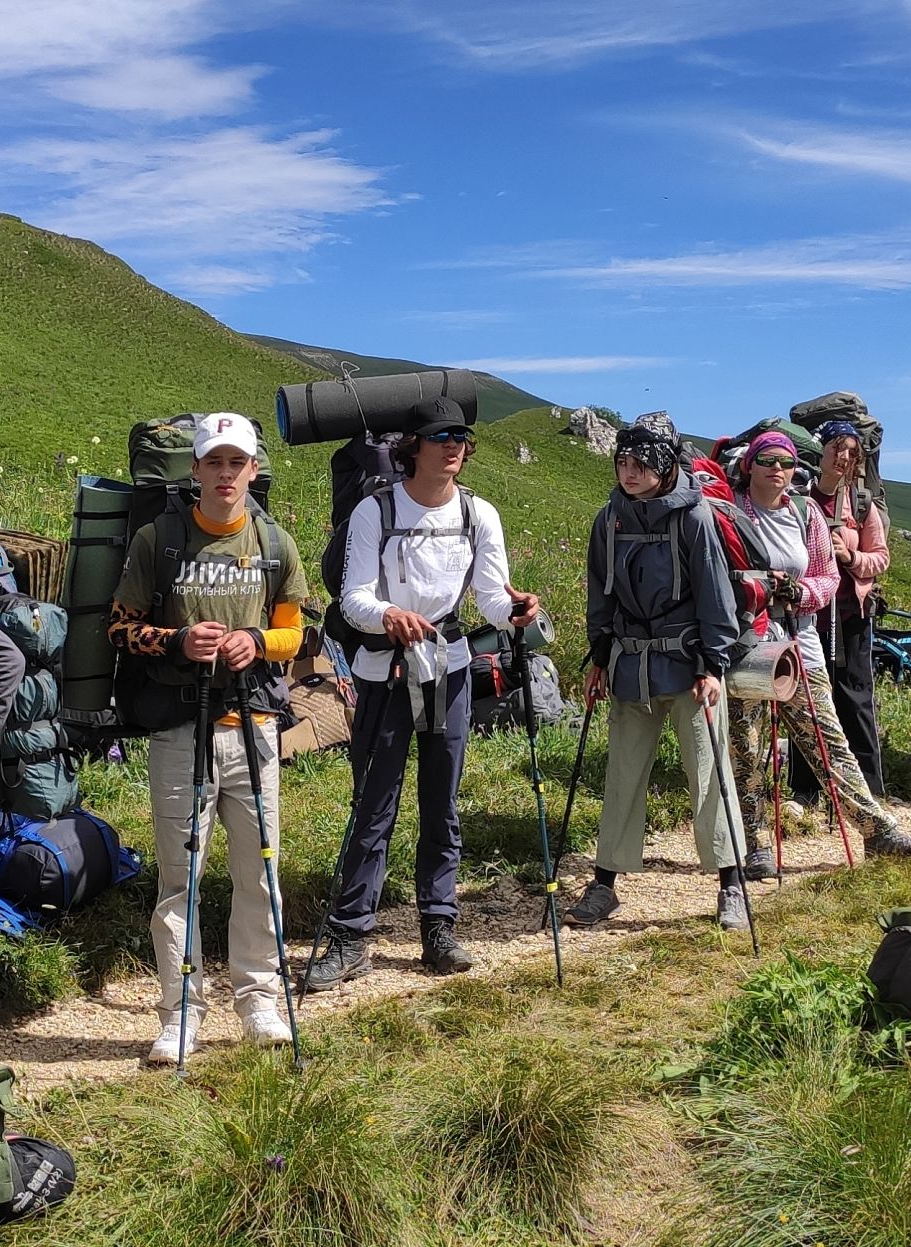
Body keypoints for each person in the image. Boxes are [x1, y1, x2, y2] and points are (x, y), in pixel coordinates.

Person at [303, 398, 539, 989]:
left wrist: (512, 610)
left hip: (449, 666)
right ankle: (351, 933)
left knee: (443, 800)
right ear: (414, 445)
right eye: (440, 436)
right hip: (384, 672)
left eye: (460, 436)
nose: (453, 445)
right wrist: (390, 616)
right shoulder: (373, 511)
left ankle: (439, 925)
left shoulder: (479, 514)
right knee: (374, 803)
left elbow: (487, 595)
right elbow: (353, 598)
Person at [108, 412, 308, 1063]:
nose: (225, 474)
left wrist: (255, 641)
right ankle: (181, 1015)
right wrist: (173, 640)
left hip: (253, 728)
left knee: (260, 874)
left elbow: (293, 632)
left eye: (236, 462)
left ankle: (259, 1004)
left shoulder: (275, 542)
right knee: (179, 880)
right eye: (213, 462)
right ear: (194, 471)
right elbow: (120, 627)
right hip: (178, 731)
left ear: (253, 470)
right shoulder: (156, 539)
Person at [562, 412, 751, 930]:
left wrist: (715, 665)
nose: (630, 472)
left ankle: (730, 884)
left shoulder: (695, 518)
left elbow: (716, 596)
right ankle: (605, 885)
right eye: (623, 462)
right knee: (622, 775)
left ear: (665, 465)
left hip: (691, 669)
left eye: (641, 463)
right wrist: (598, 658)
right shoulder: (610, 519)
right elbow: (599, 593)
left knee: (708, 775)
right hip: (630, 668)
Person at [726, 430, 911, 873]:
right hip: (747, 643)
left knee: (826, 739)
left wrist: (795, 591)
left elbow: (827, 579)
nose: (777, 469)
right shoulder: (728, 511)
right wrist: (755, 590)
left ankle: (876, 829)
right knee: (747, 746)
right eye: (767, 461)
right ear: (750, 466)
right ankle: (756, 844)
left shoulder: (806, 515)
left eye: (785, 462)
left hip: (800, 642)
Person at [787, 419, 890, 803]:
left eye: (851, 452)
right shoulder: (797, 498)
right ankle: (806, 789)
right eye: (836, 448)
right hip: (808, 613)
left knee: (855, 697)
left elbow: (880, 559)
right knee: (807, 698)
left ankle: (867, 790)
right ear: (821, 450)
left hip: (851, 615)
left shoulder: (861, 504)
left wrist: (849, 556)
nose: (843, 457)